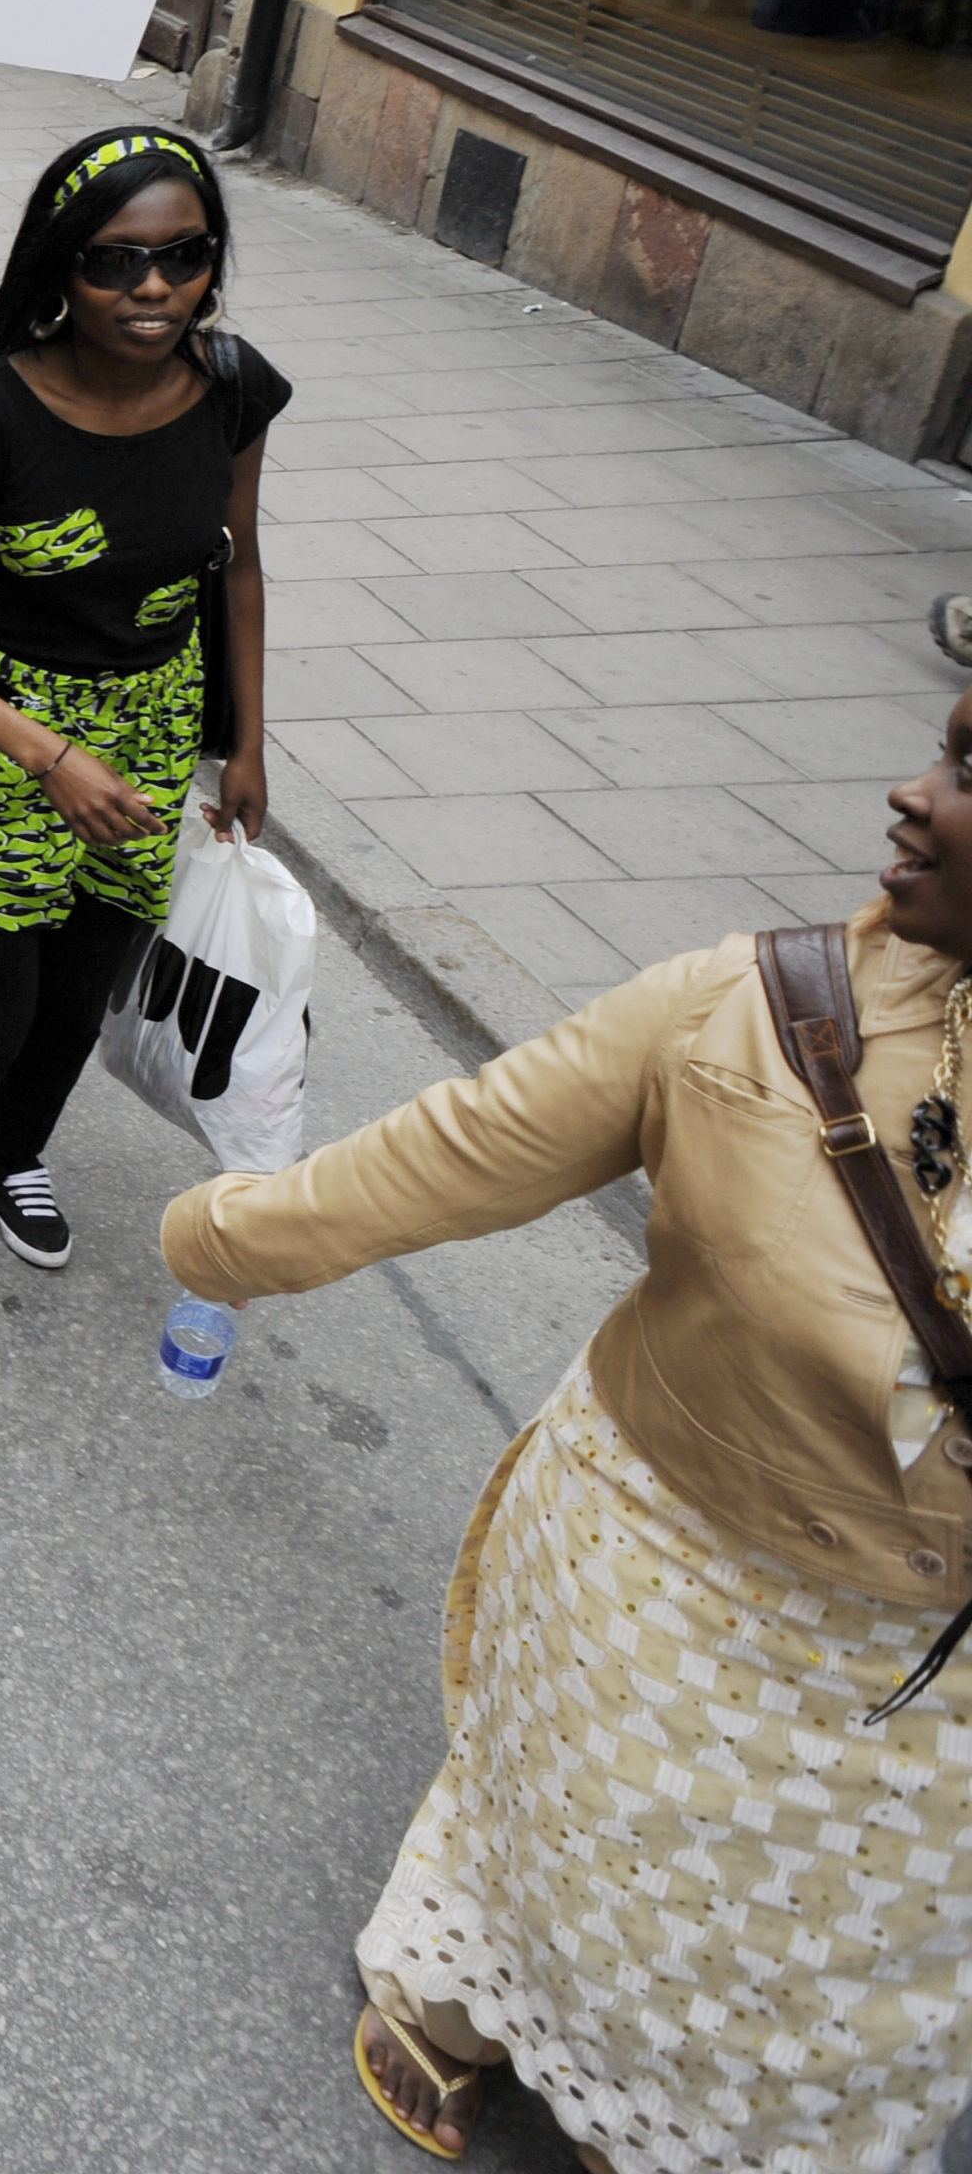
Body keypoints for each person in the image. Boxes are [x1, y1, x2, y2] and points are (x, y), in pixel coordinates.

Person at [156, 698, 972, 2174]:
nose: (911, 794)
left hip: (939, 1675)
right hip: (665, 1559)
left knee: (836, 1977)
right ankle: (456, 1995)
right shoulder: (755, 1013)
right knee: (592, 1835)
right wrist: (222, 1234)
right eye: (950, 744)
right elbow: (463, 1149)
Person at [0, 130, 276, 1332]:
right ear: (59, 268)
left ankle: (8, 1157)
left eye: (182, 257)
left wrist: (243, 743)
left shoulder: (234, 387)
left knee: (80, 993)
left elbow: (235, 566)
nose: (152, 288)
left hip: (149, 725)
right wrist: (47, 755)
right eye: (113, 263)